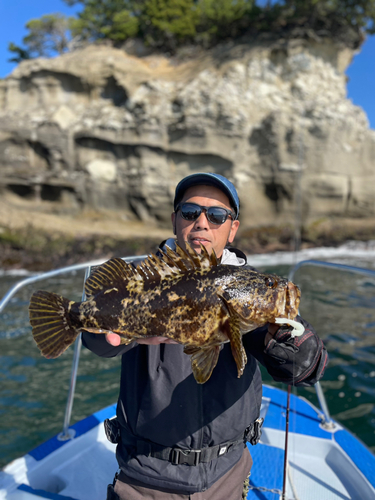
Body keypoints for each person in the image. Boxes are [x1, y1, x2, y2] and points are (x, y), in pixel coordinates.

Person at [82, 172, 328, 500]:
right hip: (145, 476)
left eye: (216, 215)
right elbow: (100, 344)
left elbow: (302, 367)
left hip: (227, 473)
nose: (202, 223)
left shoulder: (246, 288)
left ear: (232, 228)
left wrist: (295, 348)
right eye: (189, 212)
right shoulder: (143, 279)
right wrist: (101, 332)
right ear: (174, 220)